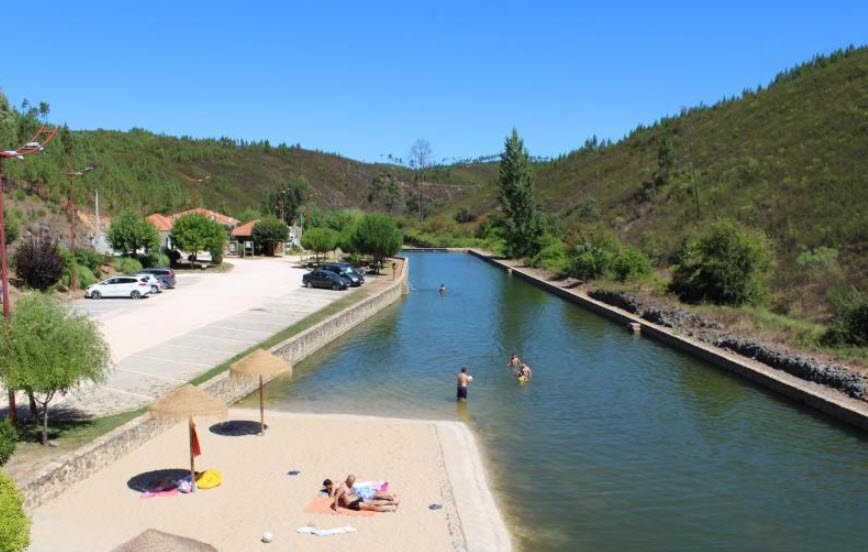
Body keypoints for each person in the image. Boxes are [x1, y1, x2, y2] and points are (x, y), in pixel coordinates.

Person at [331, 474, 398, 512]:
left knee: (374, 502)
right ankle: (391, 508)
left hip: (357, 499)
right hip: (352, 503)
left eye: (353, 482)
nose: (352, 484)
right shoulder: (342, 487)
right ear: (347, 480)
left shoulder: (349, 484)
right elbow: (336, 497)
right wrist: (336, 508)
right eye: (351, 482)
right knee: (372, 507)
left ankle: (393, 503)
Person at [323, 478, 398, 502]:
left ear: (328, 485)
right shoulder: (336, 483)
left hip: (356, 490)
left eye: (327, 487)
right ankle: (389, 495)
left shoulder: (333, 487)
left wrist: (330, 492)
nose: (327, 489)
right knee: (372, 493)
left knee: (371, 495)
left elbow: (331, 497)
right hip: (355, 489)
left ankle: (389, 496)